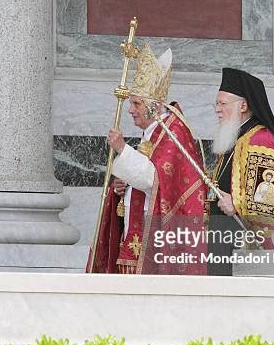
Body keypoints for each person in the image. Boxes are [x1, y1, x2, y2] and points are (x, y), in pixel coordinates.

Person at [86, 45, 207, 275]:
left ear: (157, 105)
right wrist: (120, 187)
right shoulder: (152, 132)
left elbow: (155, 179)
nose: (130, 110)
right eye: (131, 103)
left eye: (137, 103)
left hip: (157, 244)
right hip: (135, 237)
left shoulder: (173, 133)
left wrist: (122, 148)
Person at [206, 68, 274, 275]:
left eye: (223, 104)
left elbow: (272, 201)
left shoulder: (259, 140)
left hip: (242, 244)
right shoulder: (235, 138)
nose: (217, 109)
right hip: (224, 240)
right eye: (216, 104)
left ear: (243, 105)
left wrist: (236, 202)